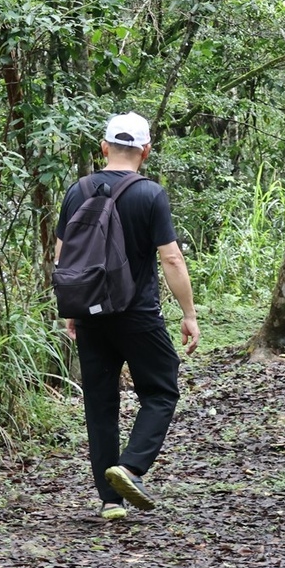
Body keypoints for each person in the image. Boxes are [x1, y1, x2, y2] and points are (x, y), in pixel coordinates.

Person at [54, 111, 200, 521]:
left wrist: (71, 309)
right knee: (162, 388)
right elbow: (170, 258)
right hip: (137, 313)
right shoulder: (149, 194)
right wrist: (188, 313)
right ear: (146, 151)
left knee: (100, 404)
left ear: (103, 147)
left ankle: (109, 502)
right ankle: (131, 466)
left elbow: (63, 258)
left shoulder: (76, 191)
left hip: (89, 313)